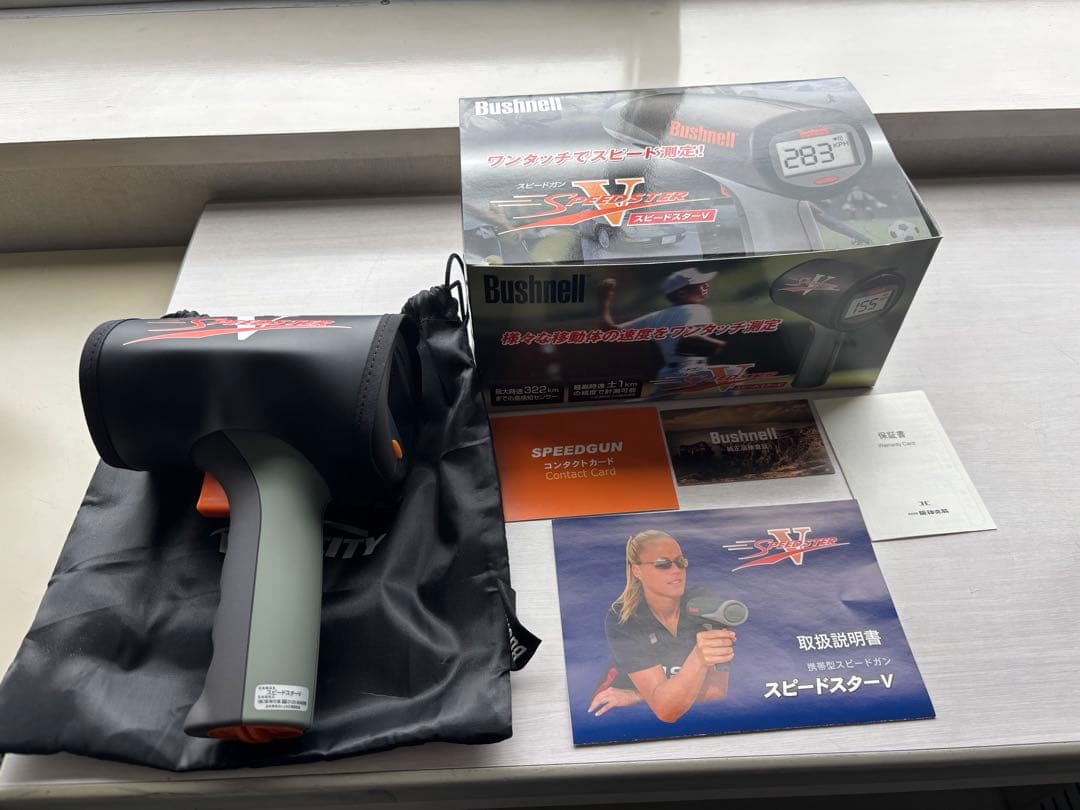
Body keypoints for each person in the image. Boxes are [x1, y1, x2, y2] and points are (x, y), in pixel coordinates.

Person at [588, 529, 736, 723]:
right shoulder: (624, 617)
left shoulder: (705, 603)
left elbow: (715, 692)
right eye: (663, 564)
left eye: (681, 562)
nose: (676, 570)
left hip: (662, 704)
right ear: (637, 571)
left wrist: (639, 696)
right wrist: (699, 657)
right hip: (616, 704)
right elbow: (666, 711)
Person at [597, 267, 728, 387]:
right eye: (699, 284)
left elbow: (609, 331)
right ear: (682, 293)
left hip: (667, 375)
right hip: (691, 372)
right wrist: (723, 345)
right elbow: (689, 338)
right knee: (733, 373)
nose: (706, 285)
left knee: (653, 402)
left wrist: (604, 301)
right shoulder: (697, 309)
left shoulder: (656, 316)